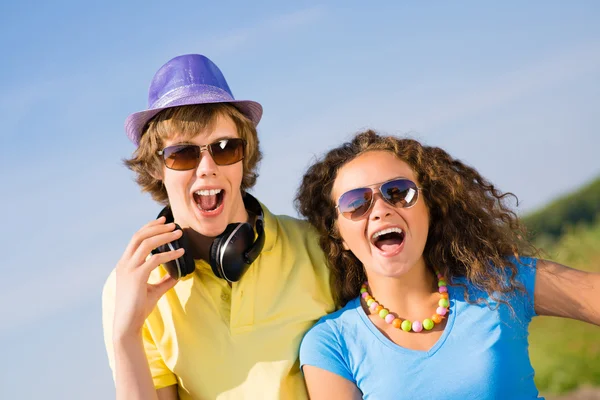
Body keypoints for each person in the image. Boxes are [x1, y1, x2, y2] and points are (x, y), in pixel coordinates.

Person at [295, 130, 600, 399]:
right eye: (356, 203)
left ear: (431, 209)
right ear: (340, 235)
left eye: (399, 193)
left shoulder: (499, 281)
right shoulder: (330, 344)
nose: (380, 210)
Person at [101, 54, 334, 400]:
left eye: (225, 148)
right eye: (183, 154)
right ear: (157, 168)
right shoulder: (134, 285)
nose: (207, 168)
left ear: (245, 156)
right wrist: (126, 335)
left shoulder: (316, 247)